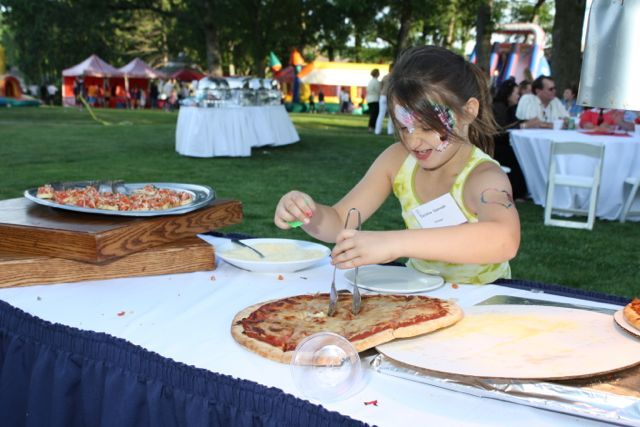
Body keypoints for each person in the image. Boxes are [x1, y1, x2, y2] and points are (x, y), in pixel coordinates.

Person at [274, 45, 520, 285]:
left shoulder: (484, 177)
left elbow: (505, 239)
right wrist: (307, 214)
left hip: (483, 300)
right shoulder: (398, 160)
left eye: (427, 127)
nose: (413, 141)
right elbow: (339, 222)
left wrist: (394, 244)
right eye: (403, 127)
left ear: (468, 111)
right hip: (419, 296)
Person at [491, 78, 541, 200]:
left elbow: (515, 122)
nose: (519, 96)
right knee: (519, 155)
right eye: (516, 94)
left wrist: (527, 122)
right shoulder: (498, 107)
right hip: (496, 146)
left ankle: (526, 190)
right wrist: (525, 125)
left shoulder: (511, 107)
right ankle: (519, 192)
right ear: (508, 94)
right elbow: (500, 130)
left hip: (505, 144)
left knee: (523, 152)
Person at [375, 63, 395, 135]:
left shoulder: (384, 77)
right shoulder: (394, 77)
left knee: (381, 114)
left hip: (382, 96)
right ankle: (390, 131)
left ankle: (377, 131)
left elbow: (380, 86)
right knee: (391, 115)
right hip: (390, 96)